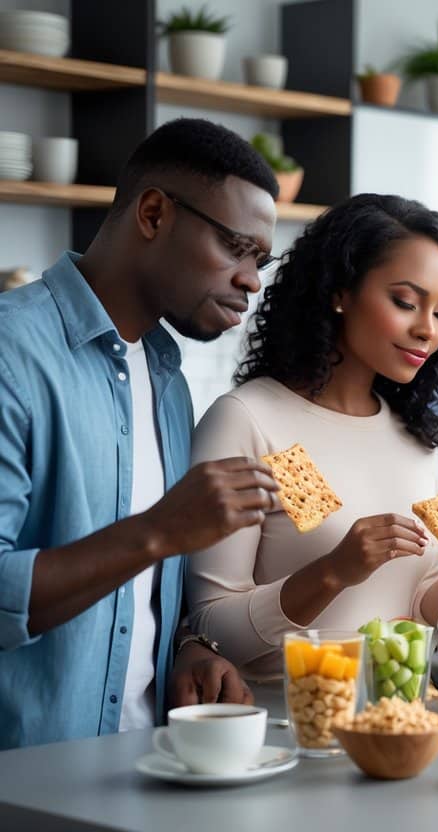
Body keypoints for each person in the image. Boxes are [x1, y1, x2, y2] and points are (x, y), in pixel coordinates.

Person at [0, 118, 282, 749]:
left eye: (261, 259)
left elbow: (142, 592)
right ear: (153, 214)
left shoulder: (169, 382)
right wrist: (160, 531)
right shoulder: (10, 355)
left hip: (144, 770)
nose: (252, 280)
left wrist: (188, 647)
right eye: (236, 247)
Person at [186, 194, 438, 680]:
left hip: (397, 724)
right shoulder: (253, 422)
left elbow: (422, 617)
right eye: (405, 302)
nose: (426, 329)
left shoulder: (418, 440)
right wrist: (332, 571)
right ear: (340, 292)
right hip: (285, 726)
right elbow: (211, 628)